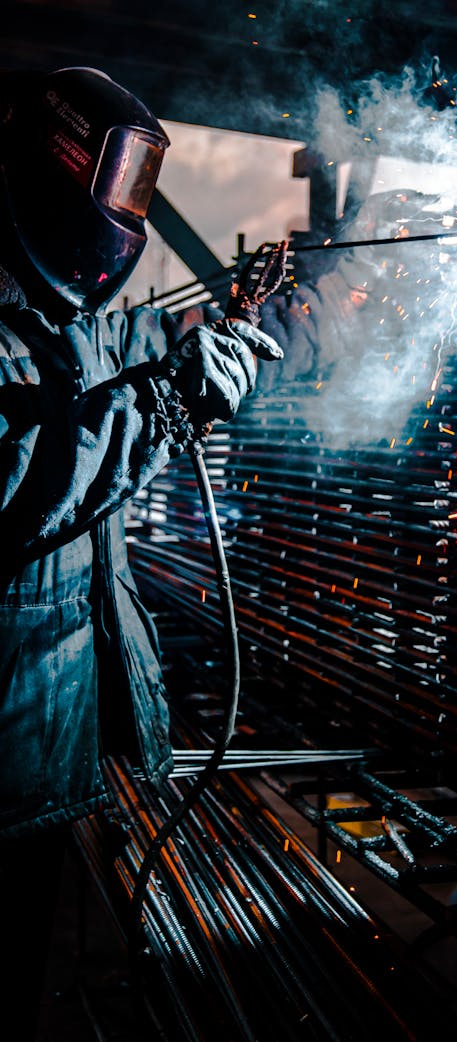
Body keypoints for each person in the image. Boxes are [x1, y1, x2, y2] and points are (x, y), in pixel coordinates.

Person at [0, 65, 284, 1036]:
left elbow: (111, 344)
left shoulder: (48, 313)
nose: (124, 214)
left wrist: (227, 317)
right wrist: (174, 401)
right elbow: (22, 487)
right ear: (52, 168)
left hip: (31, 755)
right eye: (114, 188)